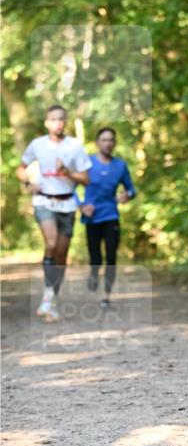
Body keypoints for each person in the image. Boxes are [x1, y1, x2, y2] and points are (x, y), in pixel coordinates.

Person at [17, 104, 91, 322]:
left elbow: (86, 179)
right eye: (53, 119)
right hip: (44, 201)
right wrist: (29, 183)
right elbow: (20, 168)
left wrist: (67, 172)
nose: (57, 123)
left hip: (67, 204)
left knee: (61, 254)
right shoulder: (37, 145)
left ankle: (50, 298)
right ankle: (48, 300)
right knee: (50, 244)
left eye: (61, 119)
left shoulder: (75, 146)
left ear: (65, 122)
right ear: (46, 122)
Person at [78, 126, 137, 309]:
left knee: (111, 257)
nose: (108, 143)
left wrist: (126, 195)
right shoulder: (86, 163)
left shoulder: (120, 165)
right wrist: (81, 205)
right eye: (104, 139)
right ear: (97, 143)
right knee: (95, 258)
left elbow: (131, 189)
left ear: (114, 143)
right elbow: (70, 188)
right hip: (92, 218)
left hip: (111, 215)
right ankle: (94, 273)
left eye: (111, 140)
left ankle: (106, 297)